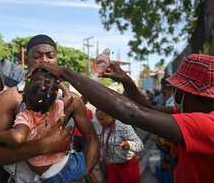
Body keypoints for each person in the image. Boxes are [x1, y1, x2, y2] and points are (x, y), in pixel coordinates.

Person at [36, 53, 214, 183]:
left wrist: (66, 73)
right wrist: (127, 81)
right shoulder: (186, 113)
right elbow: (148, 108)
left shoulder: (207, 124)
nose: (177, 97)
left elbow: (131, 113)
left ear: (201, 96)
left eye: (180, 92)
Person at [0, 34, 100, 182]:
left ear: (57, 60)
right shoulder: (11, 98)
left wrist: (82, 175)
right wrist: (44, 146)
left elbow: (92, 139)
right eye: (37, 56)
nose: (44, 61)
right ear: (27, 62)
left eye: (50, 56)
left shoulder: (71, 99)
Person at [0, 69, 93, 182]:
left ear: (23, 96)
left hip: (54, 176)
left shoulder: (26, 117)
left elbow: (18, 137)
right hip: (72, 162)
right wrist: (56, 81)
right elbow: (69, 96)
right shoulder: (57, 107)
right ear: (54, 98)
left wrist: (0, 136)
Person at [96, 109, 143, 183]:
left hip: (128, 166)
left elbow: (139, 144)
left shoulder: (123, 126)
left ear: (110, 116)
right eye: (98, 120)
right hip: (112, 166)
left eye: (102, 119)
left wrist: (129, 145)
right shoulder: (103, 127)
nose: (100, 122)